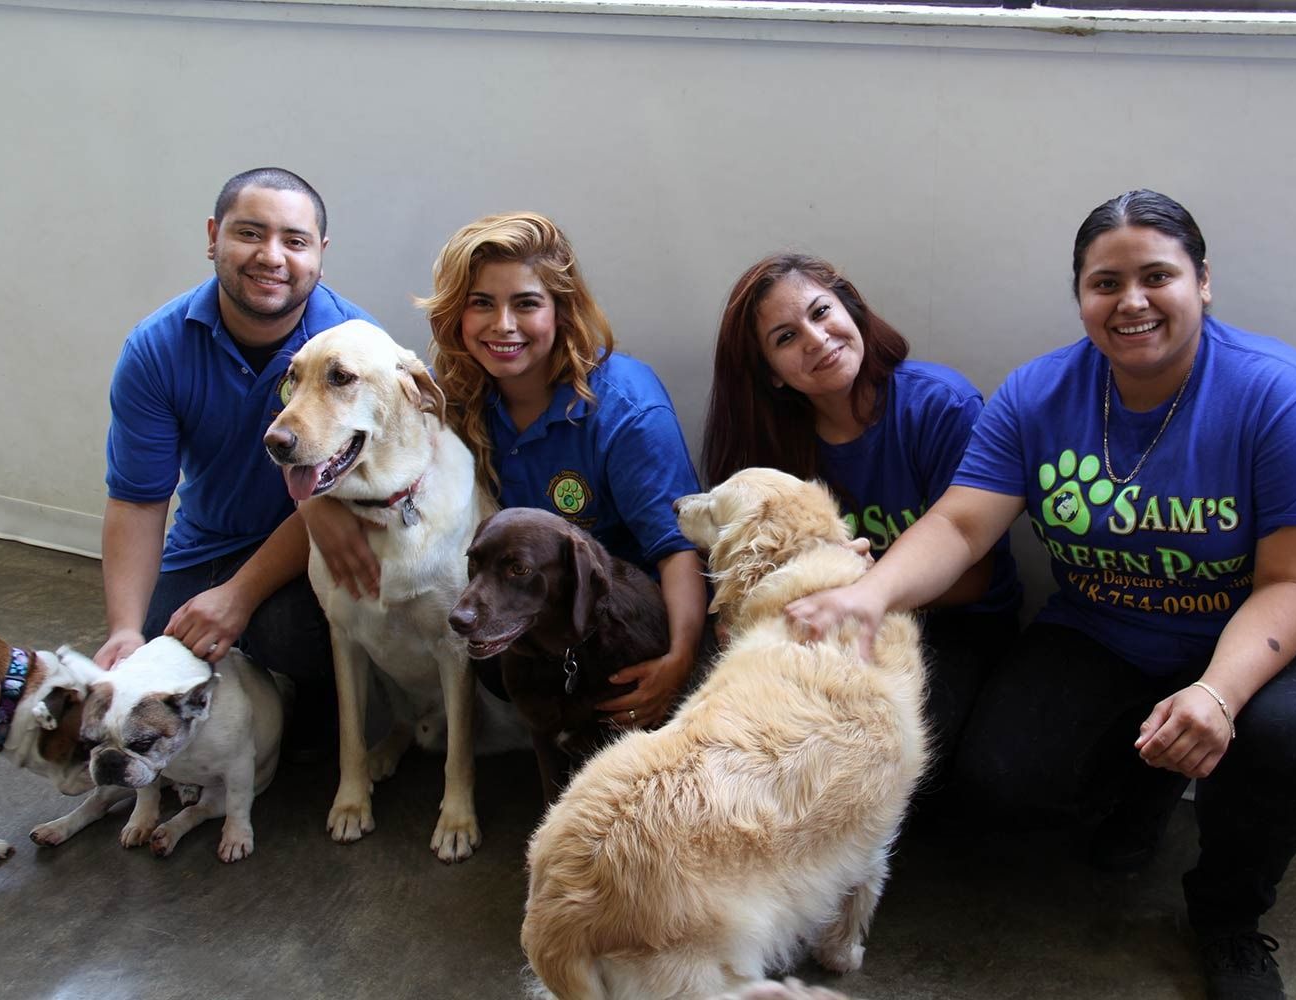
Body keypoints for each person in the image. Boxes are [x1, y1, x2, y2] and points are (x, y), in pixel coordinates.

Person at [786, 190, 1296, 1000]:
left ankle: (1229, 921)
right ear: (1081, 297)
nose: (1130, 301)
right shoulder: (1038, 396)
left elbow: (1292, 583)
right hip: (1101, 629)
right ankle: (1145, 788)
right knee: (1000, 780)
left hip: (1255, 643)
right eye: (1105, 283)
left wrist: (1216, 693)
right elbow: (961, 526)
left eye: (1156, 275)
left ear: (1202, 282)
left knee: (1291, 741)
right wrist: (871, 595)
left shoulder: (1286, 398)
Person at [309, 212, 706, 729]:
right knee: (492, 663)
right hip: (524, 611)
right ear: (457, 315)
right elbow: (361, 450)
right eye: (481, 304)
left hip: (621, 621)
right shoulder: (456, 397)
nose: (503, 325)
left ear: (561, 311)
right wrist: (315, 504)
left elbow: (675, 549)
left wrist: (679, 660)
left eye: (526, 303)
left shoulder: (626, 411)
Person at [702, 252, 1020, 781]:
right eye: (785, 338)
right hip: (823, 624)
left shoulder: (940, 406)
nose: (815, 338)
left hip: (956, 624)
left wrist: (862, 583)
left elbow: (975, 577)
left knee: (910, 770)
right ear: (772, 376)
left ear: (851, 310)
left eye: (821, 312)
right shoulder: (772, 446)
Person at [95, 167, 376, 755]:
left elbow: (348, 497)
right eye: (250, 233)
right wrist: (124, 627)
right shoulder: (155, 348)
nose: (271, 257)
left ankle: (306, 693)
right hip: (204, 544)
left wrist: (240, 595)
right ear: (213, 236)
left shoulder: (356, 348)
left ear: (320, 255)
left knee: (292, 637)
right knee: (149, 658)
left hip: (312, 547)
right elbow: (138, 498)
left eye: (294, 241)